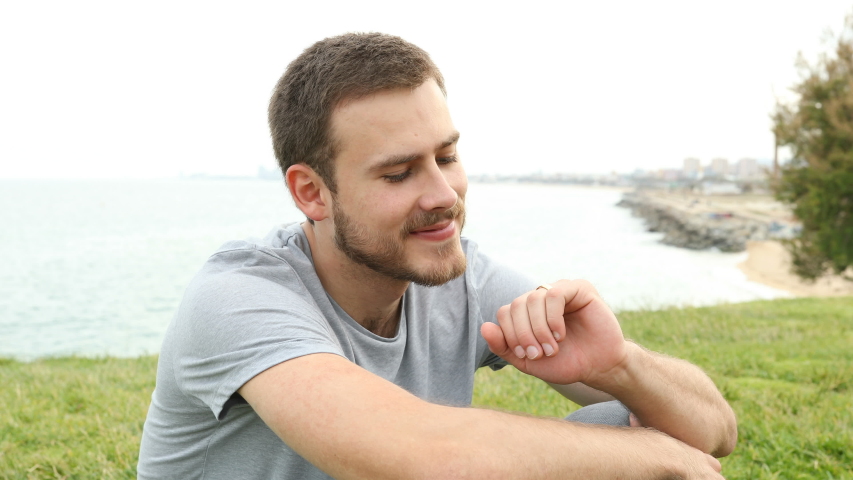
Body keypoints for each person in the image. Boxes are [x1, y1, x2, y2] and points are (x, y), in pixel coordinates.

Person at [137, 32, 737, 479]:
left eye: (446, 158)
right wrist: (657, 458)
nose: (444, 196)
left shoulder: (460, 277)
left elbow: (715, 432)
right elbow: (422, 455)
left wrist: (618, 367)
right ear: (312, 193)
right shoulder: (238, 299)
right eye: (399, 174)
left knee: (626, 423)